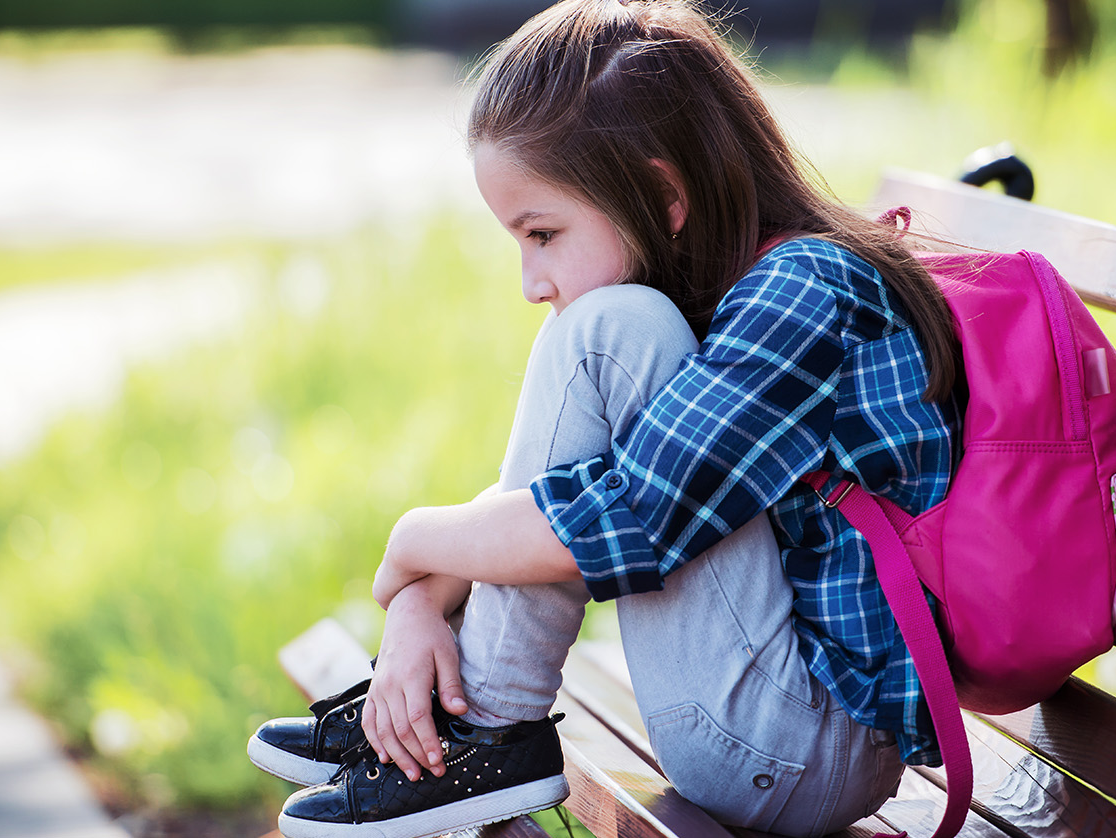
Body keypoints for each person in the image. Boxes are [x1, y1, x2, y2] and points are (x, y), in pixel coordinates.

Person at [247, 1, 964, 836]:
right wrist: (417, 603)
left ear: (663, 196)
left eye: (543, 233)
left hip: (807, 749)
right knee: (617, 331)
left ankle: (488, 730)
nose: (530, 280)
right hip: (784, 729)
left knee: (604, 332)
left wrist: (412, 541)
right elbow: (587, 498)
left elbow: (626, 520)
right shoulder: (742, 280)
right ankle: (481, 725)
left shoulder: (802, 294)